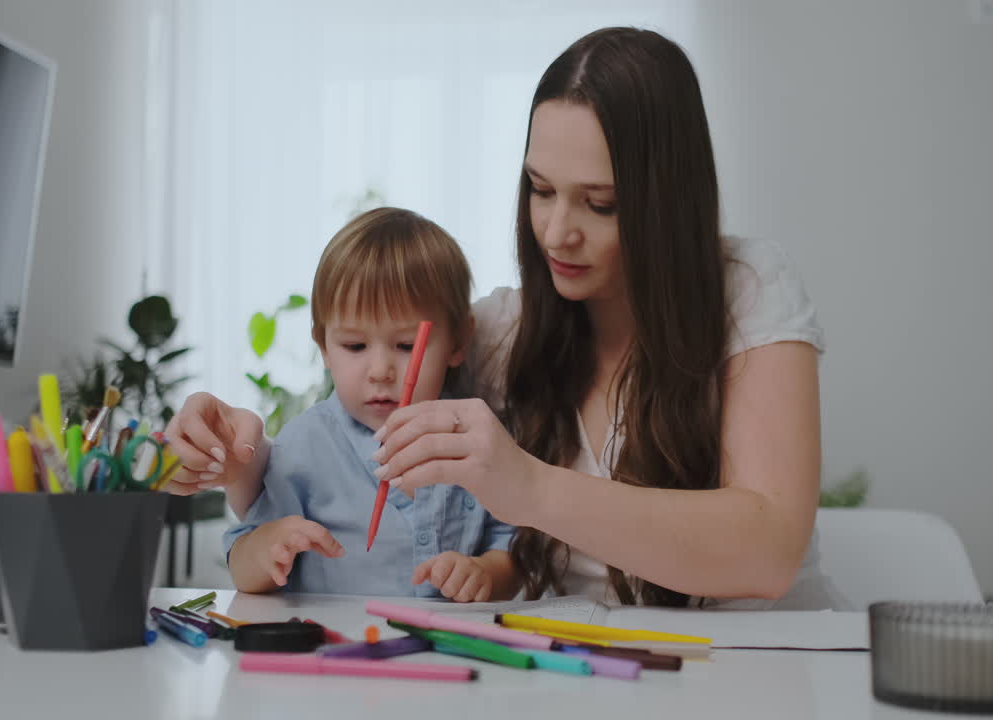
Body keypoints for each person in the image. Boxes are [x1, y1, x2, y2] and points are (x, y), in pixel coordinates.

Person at [167, 27, 844, 609]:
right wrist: (238, 450)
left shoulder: (747, 289)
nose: (555, 232)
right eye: (540, 190)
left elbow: (769, 551)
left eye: (600, 204)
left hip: (763, 664)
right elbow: (351, 409)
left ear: (666, 202)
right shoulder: (499, 335)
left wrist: (531, 488)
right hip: (580, 668)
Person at [201, 207, 517, 601]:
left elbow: (511, 552)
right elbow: (242, 565)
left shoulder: (477, 438)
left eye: (406, 346)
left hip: (445, 640)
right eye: (354, 346)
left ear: (458, 341)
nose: (380, 371)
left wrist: (484, 572)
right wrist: (267, 548)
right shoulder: (307, 444)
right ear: (324, 347)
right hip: (332, 640)